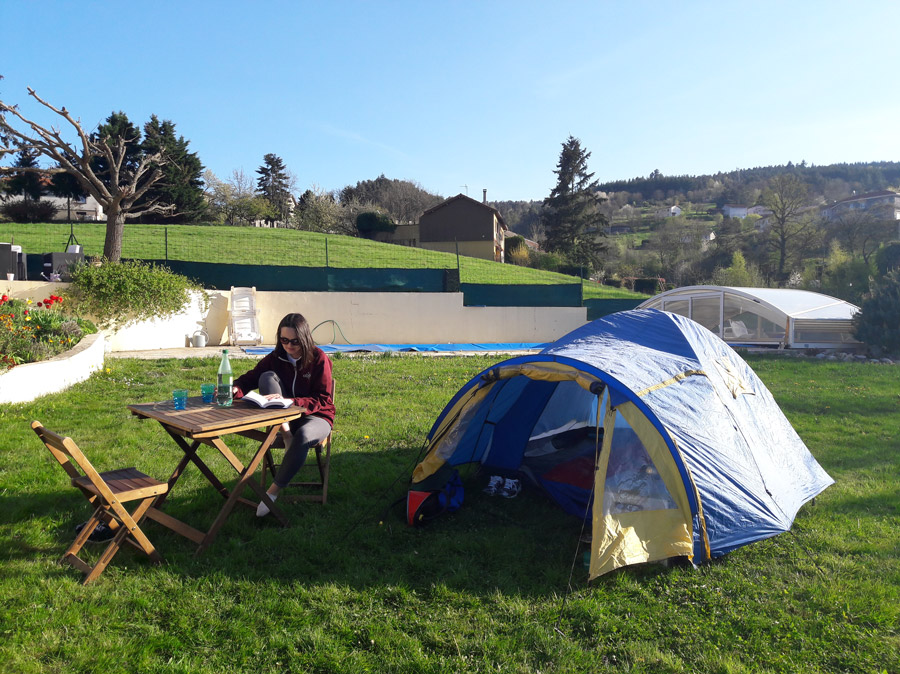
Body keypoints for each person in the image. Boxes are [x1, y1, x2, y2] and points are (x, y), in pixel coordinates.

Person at [232, 313, 335, 516]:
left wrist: (292, 402)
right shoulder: (276, 357)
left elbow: (324, 399)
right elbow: (250, 378)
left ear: (304, 338)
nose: (289, 345)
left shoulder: (319, 359)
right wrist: (235, 388)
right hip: (285, 420)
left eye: (295, 341)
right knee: (266, 376)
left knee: (304, 436)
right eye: (284, 340)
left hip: (316, 416)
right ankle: (286, 433)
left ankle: (272, 492)